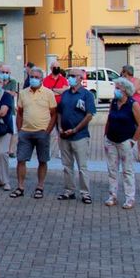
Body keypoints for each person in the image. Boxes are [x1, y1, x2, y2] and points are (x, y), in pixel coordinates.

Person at [11, 67, 57, 199]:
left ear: (42, 79)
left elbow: (54, 114)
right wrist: (20, 130)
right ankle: (20, 187)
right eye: (32, 77)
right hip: (25, 133)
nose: (34, 79)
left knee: (42, 160)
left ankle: (40, 187)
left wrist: (47, 131)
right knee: (21, 160)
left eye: (37, 77)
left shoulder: (48, 93)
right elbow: (20, 113)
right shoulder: (23, 93)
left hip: (42, 132)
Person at [55, 69, 96, 203]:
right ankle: (69, 190)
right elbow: (59, 112)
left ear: (80, 78)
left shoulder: (87, 95)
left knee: (82, 166)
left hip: (80, 136)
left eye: (73, 76)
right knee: (67, 165)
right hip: (64, 136)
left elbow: (89, 115)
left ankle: (85, 193)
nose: (70, 78)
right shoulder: (65, 94)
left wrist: (75, 129)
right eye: (69, 76)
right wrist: (60, 127)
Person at [103, 78, 140, 209]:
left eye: (118, 88)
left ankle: (130, 197)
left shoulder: (133, 104)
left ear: (125, 90)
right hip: (111, 140)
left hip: (125, 140)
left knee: (127, 170)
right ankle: (112, 195)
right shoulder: (114, 102)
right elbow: (109, 119)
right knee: (112, 169)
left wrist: (133, 141)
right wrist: (105, 135)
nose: (116, 90)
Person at [0, 63, 20, 159]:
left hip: (10, 108)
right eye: (3, 72)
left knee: (13, 131)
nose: (5, 74)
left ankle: (11, 150)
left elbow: (13, 93)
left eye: (6, 72)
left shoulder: (13, 82)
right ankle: (2, 148)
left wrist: (4, 91)